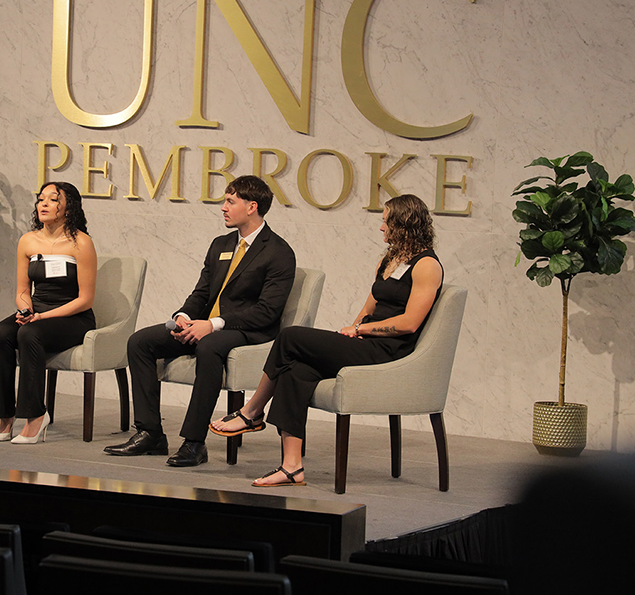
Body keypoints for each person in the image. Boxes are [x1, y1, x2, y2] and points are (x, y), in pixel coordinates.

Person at [210, 193, 443, 486]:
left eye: (386, 222)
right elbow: (369, 308)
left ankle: (252, 411)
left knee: (291, 336)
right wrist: (354, 328)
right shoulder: (390, 259)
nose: (381, 227)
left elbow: (409, 324)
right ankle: (292, 467)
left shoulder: (427, 265)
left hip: (389, 351)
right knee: (296, 370)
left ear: (404, 224)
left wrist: (362, 331)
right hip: (364, 342)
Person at [105, 175, 296, 467]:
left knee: (209, 346)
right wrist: (183, 316)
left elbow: (266, 311)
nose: (223, 207)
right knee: (140, 342)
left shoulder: (279, 252)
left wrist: (213, 324)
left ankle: (194, 443)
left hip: (248, 330)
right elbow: (202, 292)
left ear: (252, 207)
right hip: (207, 325)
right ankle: (150, 433)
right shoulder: (221, 244)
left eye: (230, 201)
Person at [0, 181, 96, 444]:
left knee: (29, 334)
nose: (44, 204)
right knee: (1, 333)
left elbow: (85, 299)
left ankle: (36, 416)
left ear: (68, 207)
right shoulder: (28, 240)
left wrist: (41, 317)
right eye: (41, 199)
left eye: (53, 199)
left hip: (73, 317)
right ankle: (5, 415)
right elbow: (22, 290)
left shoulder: (81, 242)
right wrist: (25, 309)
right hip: (36, 311)